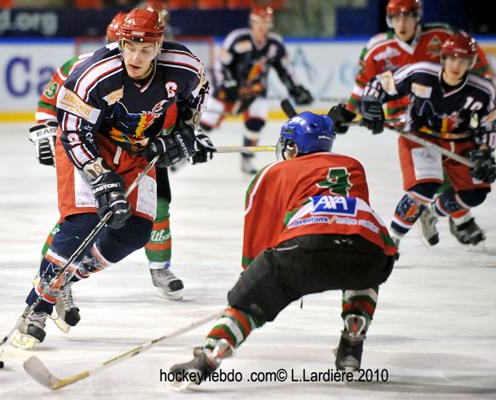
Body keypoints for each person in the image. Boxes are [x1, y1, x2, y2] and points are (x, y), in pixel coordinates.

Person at [13, 8, 214, 349]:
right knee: (82, 223)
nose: (136, 56)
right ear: (118, 43)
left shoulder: (184, 66)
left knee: (134, 231)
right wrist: (100, 178)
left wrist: (185, 132)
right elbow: (74, 131)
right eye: (129, 47)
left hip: (137, 152)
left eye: (147, 49)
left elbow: (198, 93)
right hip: (91, 144)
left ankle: (64, 280)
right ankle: (37, 307)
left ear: (160, 46)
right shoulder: (94, 74)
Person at [169, 112, 396, 386]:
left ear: (294, 146)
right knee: (361, 266)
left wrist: (250, 285)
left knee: (246, 307)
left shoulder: (274, 171)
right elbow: (347, 225)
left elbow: (259, 232)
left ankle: (208, 357)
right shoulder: (354, 165)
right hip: (372, 251)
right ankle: (353, 340)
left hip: (305, 248)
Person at [337, 0, 494, 246]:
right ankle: (445, 223)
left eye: (407, 17)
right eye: (396, 18)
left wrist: (486, 150)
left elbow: (482, 79)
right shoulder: (379, 48)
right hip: (414, 125)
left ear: (418, 16)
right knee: (427, 183)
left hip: (456, 128)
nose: (402, 23)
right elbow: (367, 85)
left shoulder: (444, 35)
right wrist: (353, 111)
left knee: (469, 187)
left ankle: (445, 215)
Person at [199, 4, 313, 175]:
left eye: (266, 24)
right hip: (229, 90)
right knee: (205, 124)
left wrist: (296, 89)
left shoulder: (275, 44)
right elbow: (220, 64)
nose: (262, 28)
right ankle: (183, 155)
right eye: (258, 23)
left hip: (255, 92)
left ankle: (247, 159)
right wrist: (226, 84)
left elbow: (285, 70)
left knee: (256, 123)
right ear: (252, 23)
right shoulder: (238, 38)